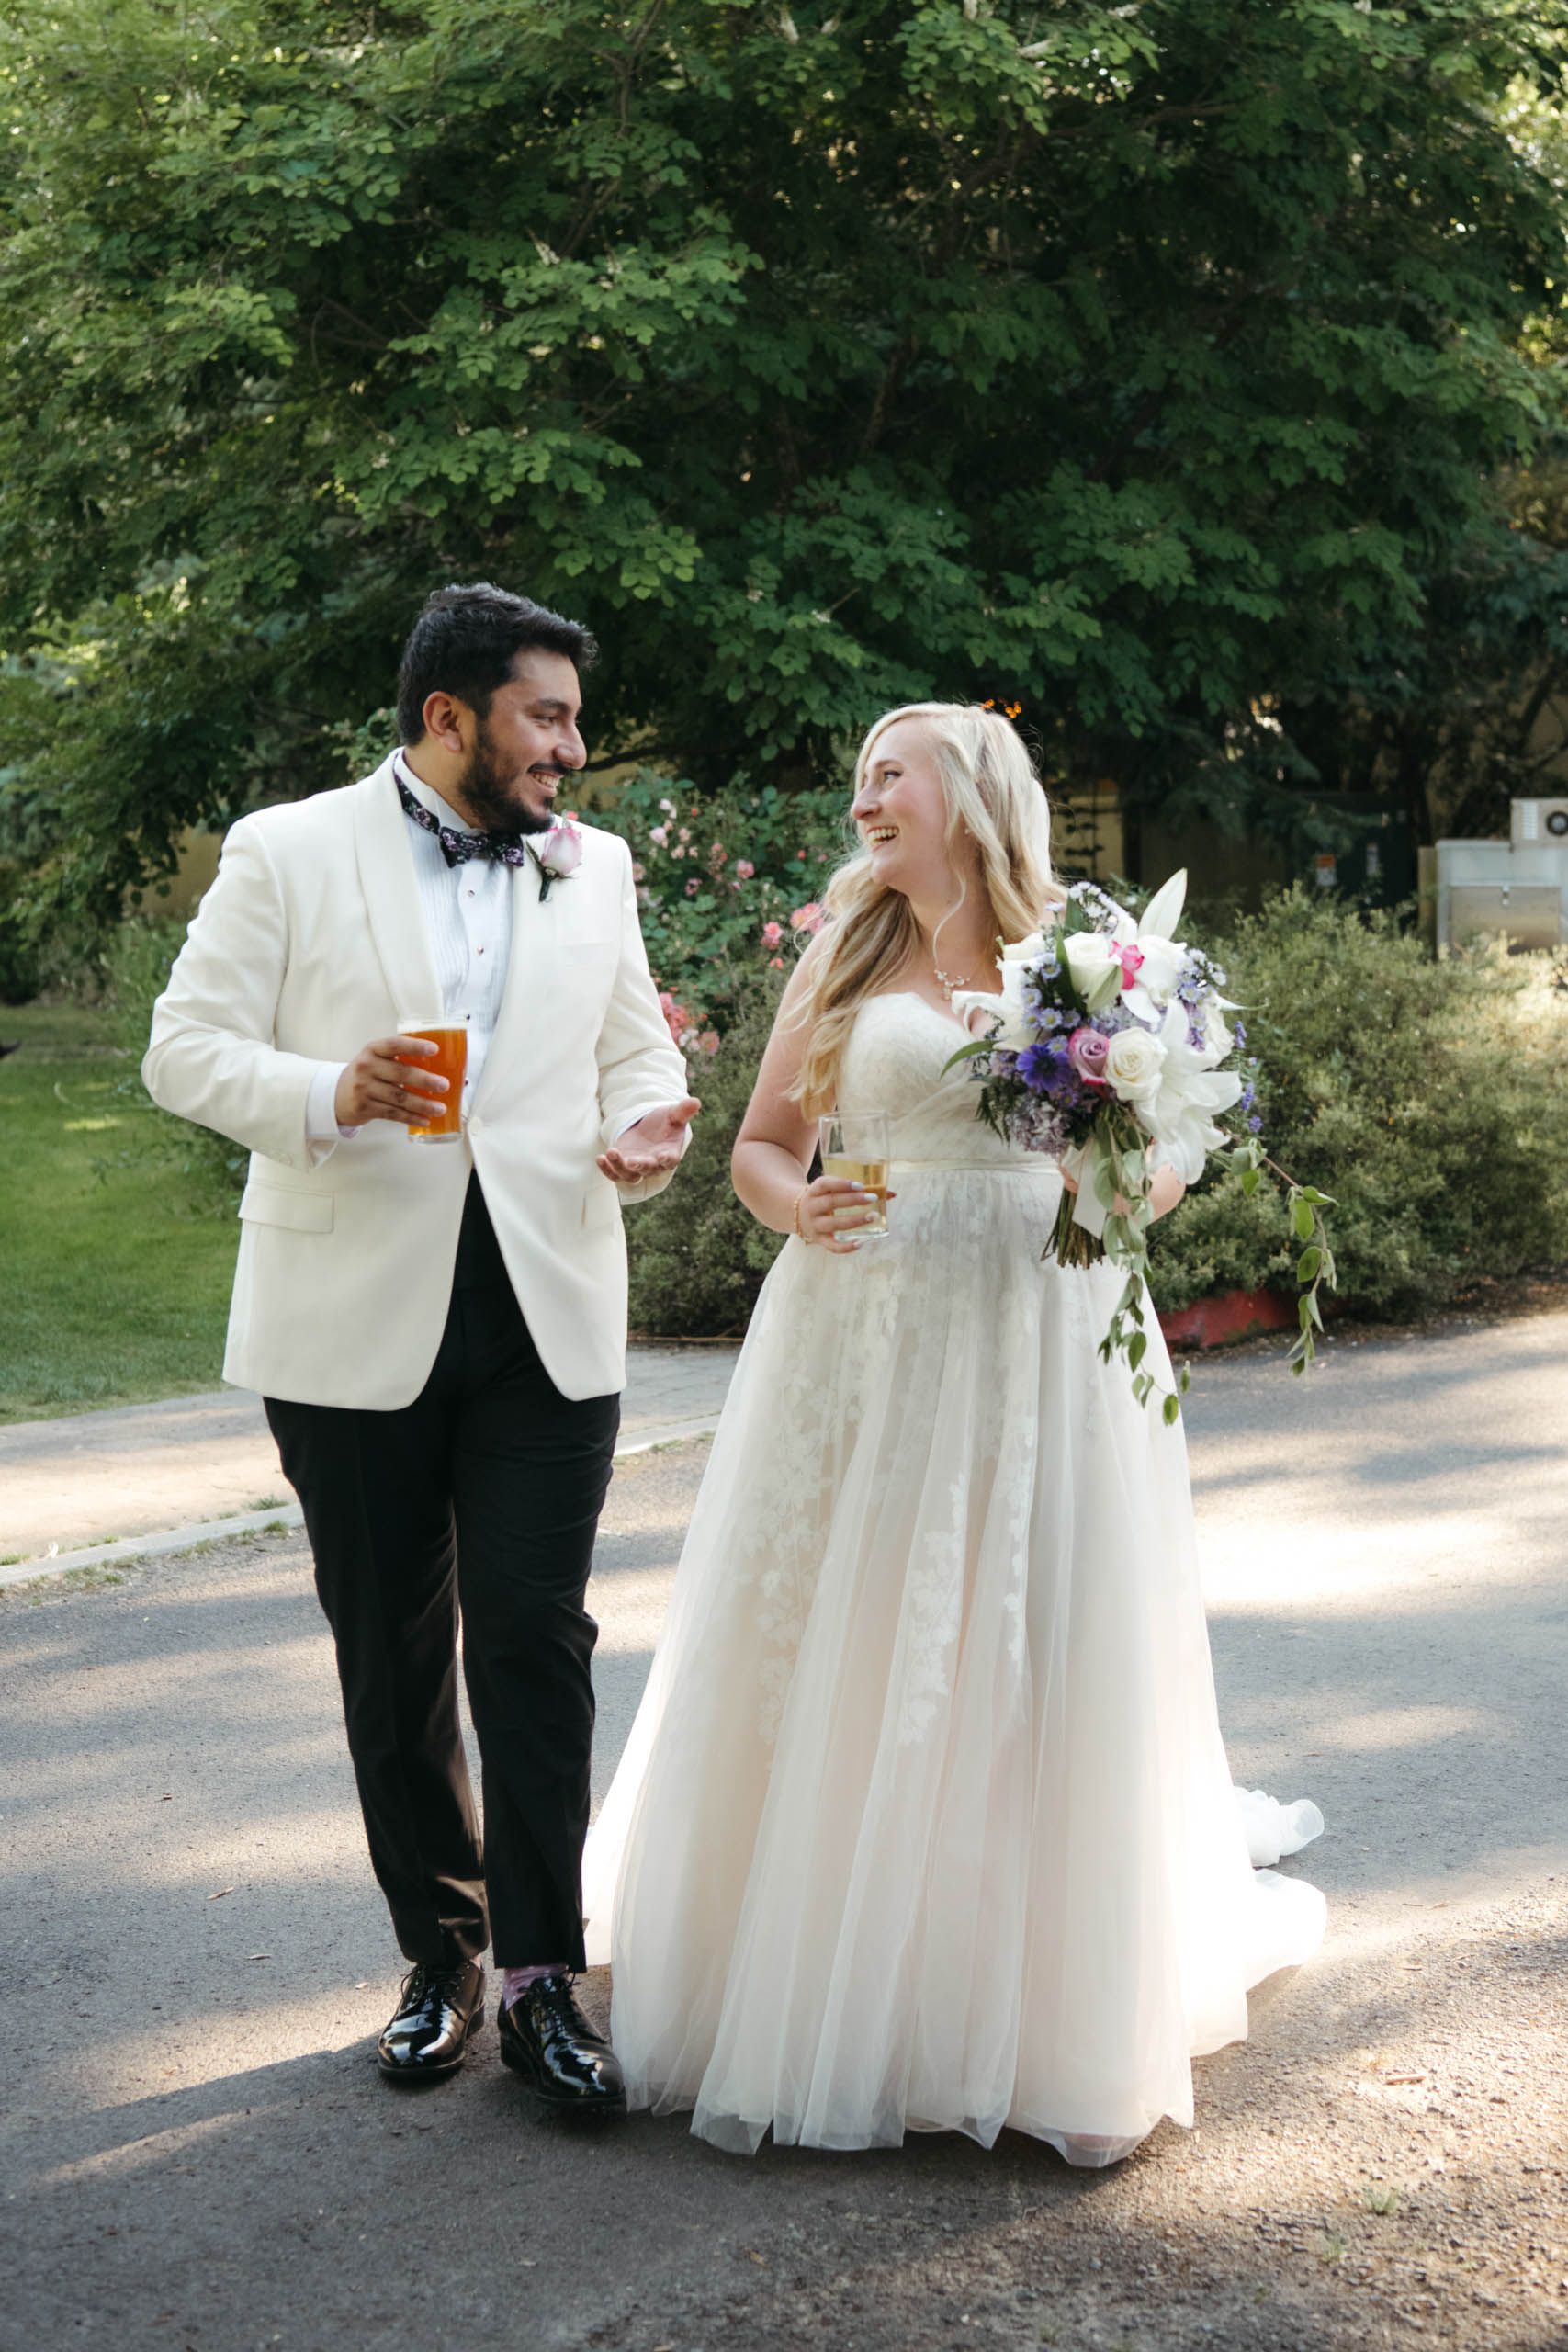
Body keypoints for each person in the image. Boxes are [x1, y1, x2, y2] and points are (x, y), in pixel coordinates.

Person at [582, 701, 1324, 2163]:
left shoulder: (1088, 962)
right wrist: (799, 1207)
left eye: (888, 773)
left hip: (1043, 1326)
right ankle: (815, 1955)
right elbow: (759, 1152)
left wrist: (1129, 1185)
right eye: (859, 773)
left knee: (1023, 1618)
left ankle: (1015, 1984)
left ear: (968, 797)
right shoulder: (847, 951)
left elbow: (1156, 1149)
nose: (864, 796)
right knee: (860, 1623)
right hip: (862, 1327)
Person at [145, 582, 697, 2113]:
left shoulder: (599, 869)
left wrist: (644, 1126)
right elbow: (180, 1051)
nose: (572, 751)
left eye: (574, 719)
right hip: (346, 1318)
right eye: (547, 715)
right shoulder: (287, 849)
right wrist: (335, 1090)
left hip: (546, 1305)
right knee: (393, 1658)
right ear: (447, 718)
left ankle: (540, 1980)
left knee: (535, 1638)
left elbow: (629, 1048)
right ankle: (438, 1958)